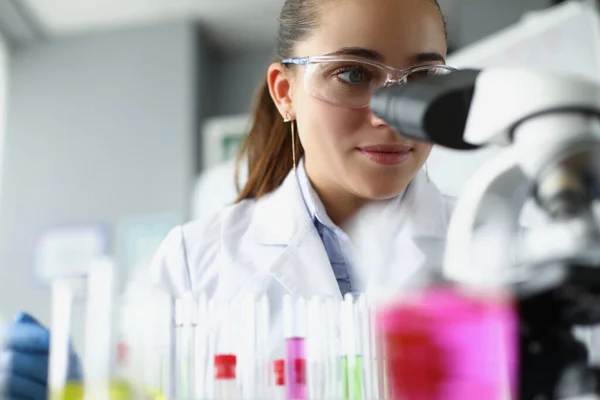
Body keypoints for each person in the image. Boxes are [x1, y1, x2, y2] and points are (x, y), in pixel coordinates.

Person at [1, 0, 454, 397]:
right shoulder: (195, 262)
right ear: (285, 93)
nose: (392, 116)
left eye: (424, 76)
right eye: (354, 74)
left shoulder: (501, 250)